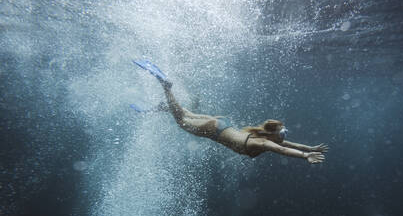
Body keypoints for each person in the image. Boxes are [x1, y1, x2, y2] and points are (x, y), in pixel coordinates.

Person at [134, 60, 329, 164]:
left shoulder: (263, 136)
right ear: (272, 135)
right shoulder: (261, 141)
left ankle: (163, 107)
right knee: (182, 121)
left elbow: (285, 143)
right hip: (215, 129)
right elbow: (283, 149)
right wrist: (304, 157)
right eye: (283, 132)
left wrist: (310, 148)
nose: (284, 135)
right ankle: (166, 87)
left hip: (221, 123)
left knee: (187, 115)